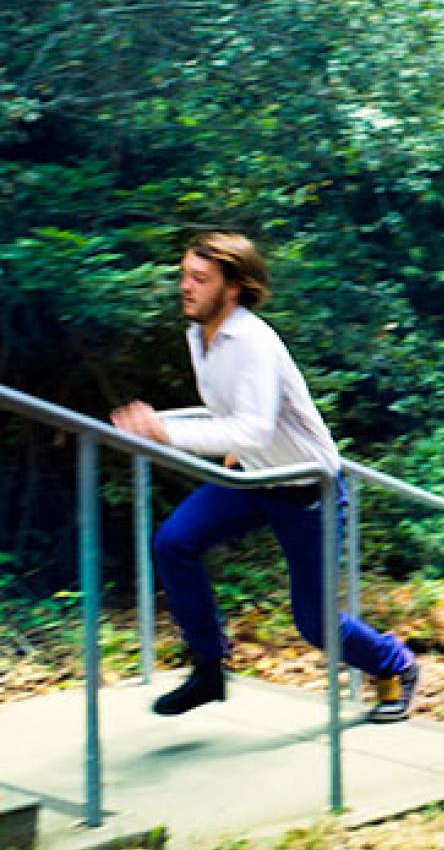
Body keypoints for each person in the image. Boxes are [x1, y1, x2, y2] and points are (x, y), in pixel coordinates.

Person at [110, 231, 420, 721]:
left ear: (233, 287)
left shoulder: (252, 340)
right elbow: (230, 416)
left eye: (199, 279)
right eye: (184, 277)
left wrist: (163, 431)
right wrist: (169, 427)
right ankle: (210, 668)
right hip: (253, 478)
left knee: (315, 625)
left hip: (306, 489)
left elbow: (253, 427)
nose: (185, 287)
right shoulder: (198, 335)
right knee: (174, 542)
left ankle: (394, 663)